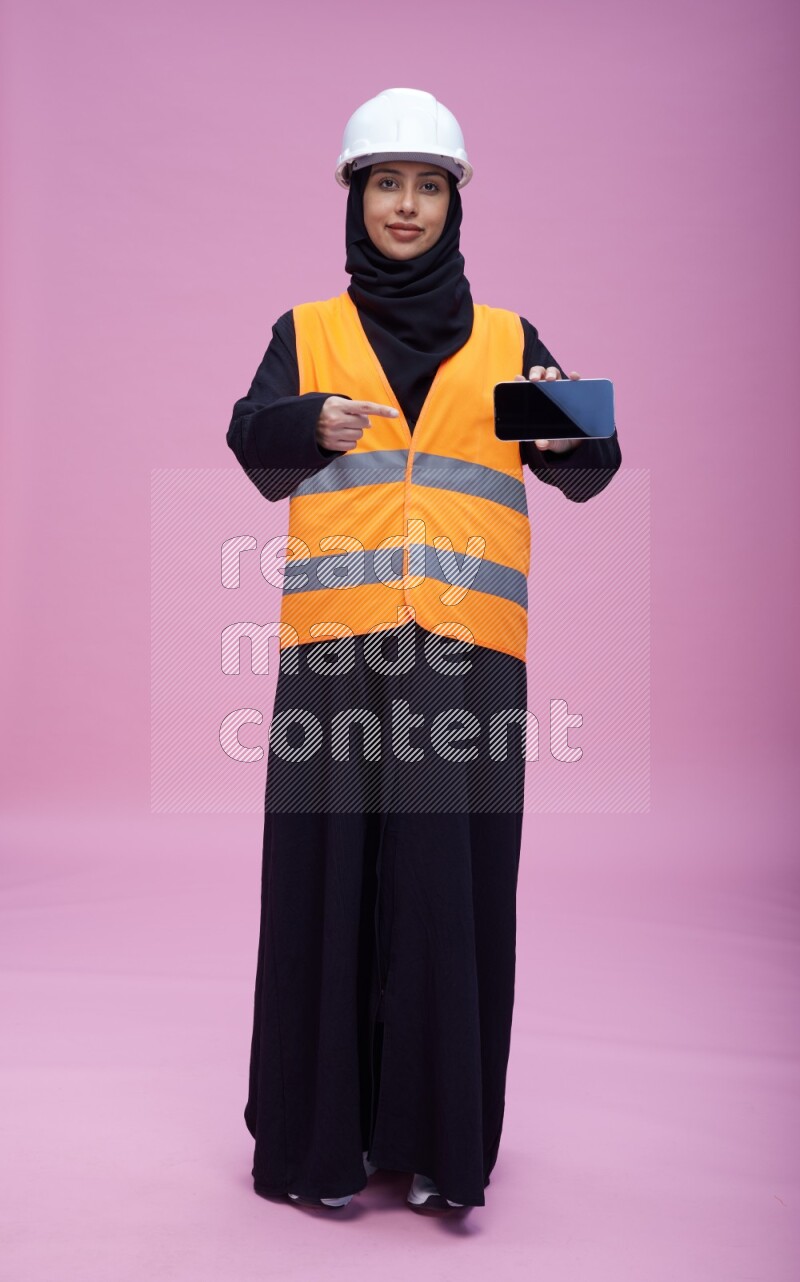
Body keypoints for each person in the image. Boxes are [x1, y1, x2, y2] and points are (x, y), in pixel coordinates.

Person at [226, 87, 622, 1215]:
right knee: (323, 888)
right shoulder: (304, 332)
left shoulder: (506, 339)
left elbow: (589, 458)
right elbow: (248, 440)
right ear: (356, 198)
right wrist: (308, 423)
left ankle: (443, 1146)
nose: (406, 204)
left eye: (428, 185)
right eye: (386, 183)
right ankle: (318, 1144)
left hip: (468, 664)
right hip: (333, 656)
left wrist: (563, 431)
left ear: (455, 204)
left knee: (451, 898)